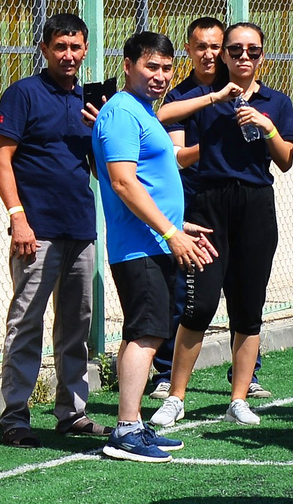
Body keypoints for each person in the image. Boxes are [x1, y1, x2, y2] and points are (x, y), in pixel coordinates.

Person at [151, 22, 293, 428]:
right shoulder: (203, 98)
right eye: (235, 51)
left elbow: (285, 160)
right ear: (225, 56)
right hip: (208, 206)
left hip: (255, 207)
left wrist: (266, 126)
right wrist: (216, 97)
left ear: (262, 56)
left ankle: (238, 398)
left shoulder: (277, 102)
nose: (243, 57)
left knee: (248, 309)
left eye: (252, 51)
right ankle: (175, 396)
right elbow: (164, 115)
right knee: (198, 306)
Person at [93, 31, 217, 463]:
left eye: (166, 69)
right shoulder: (123, 113)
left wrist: (179, 225)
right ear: (127, 66)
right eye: (151, 67)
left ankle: (133, 425)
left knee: (148, 331)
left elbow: (147, 182)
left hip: (157, 240)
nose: (161, 76)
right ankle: (125, 429)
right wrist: (170, 232)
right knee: (144, 333)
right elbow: (123, 182)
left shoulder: (143, 112)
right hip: (139, 247)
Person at [0, 13, 108, 448]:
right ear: (44, 49)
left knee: (77, 323)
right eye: (61, 47)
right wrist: (18, 217)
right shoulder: (23, 94)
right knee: (26, 322)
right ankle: (15, 416)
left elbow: (103, 166)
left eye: (76, 47)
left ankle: (72, 413)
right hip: (36, 232)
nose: (69, 55)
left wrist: (100, 132)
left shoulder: (89, 102)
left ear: (86, 49)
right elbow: (1, 160)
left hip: (81, 228)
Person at [146, 18, 229, 398]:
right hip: (194, 204)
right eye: (201, 46)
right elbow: (179, 156)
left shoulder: (241, 91)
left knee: (244, 289)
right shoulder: (178, 97)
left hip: (240, 203)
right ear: (190, 50)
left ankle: (249, 373)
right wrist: (216, 147)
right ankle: (166, 372)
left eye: (216, 46)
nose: (209, 53)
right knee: (186, 292)